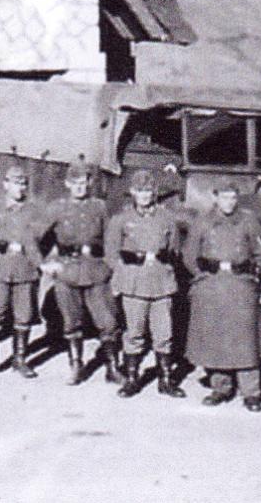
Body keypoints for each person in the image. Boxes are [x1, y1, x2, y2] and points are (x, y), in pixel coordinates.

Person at [182, 182, 261, 412]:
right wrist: (202, 278)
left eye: (233, 197)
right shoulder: (203, 221)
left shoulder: (248, 220)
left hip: (241, 286)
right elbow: (189, 255)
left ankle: (251, 392)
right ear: (215, 197)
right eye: (224, 197)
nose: (229, 202)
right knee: (216, 338)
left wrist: (254, 276)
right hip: (213, 285)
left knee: (245, 340)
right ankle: (221, 387)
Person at [41, 161, 123, 386]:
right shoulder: (57, 208)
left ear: (89, 183)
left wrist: (111, 266)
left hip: (97, 271)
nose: (80, 187)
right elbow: (36, 237)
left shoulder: (100, 207)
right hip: (67, 271)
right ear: (67, 184)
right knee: (71, 321)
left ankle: (112, 368)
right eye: (75, 183)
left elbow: (112, 239)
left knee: (108, 321)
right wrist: (43, 264)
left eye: (84, 182)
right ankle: (76, 365)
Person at [106, 170, 185, 398]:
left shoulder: (167, 218)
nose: (144, 195)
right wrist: (123, 276)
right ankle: (132, 378)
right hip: (134, 283)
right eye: (140, 191)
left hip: (161, 283)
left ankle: (166, 380)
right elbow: (111, 254)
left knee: (164, 333)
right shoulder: (121, 219)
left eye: (148, 191)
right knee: (134, 332)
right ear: (132, 192)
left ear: (155, 193)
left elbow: (174, 249)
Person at [0, 164, 42, 379]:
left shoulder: (34, 210)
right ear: (6, 185)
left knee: (24, 315)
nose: (20, 188)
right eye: (16, 183)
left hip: (25, 269)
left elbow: (43, 238)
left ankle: (20, 359)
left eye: (24, 184)